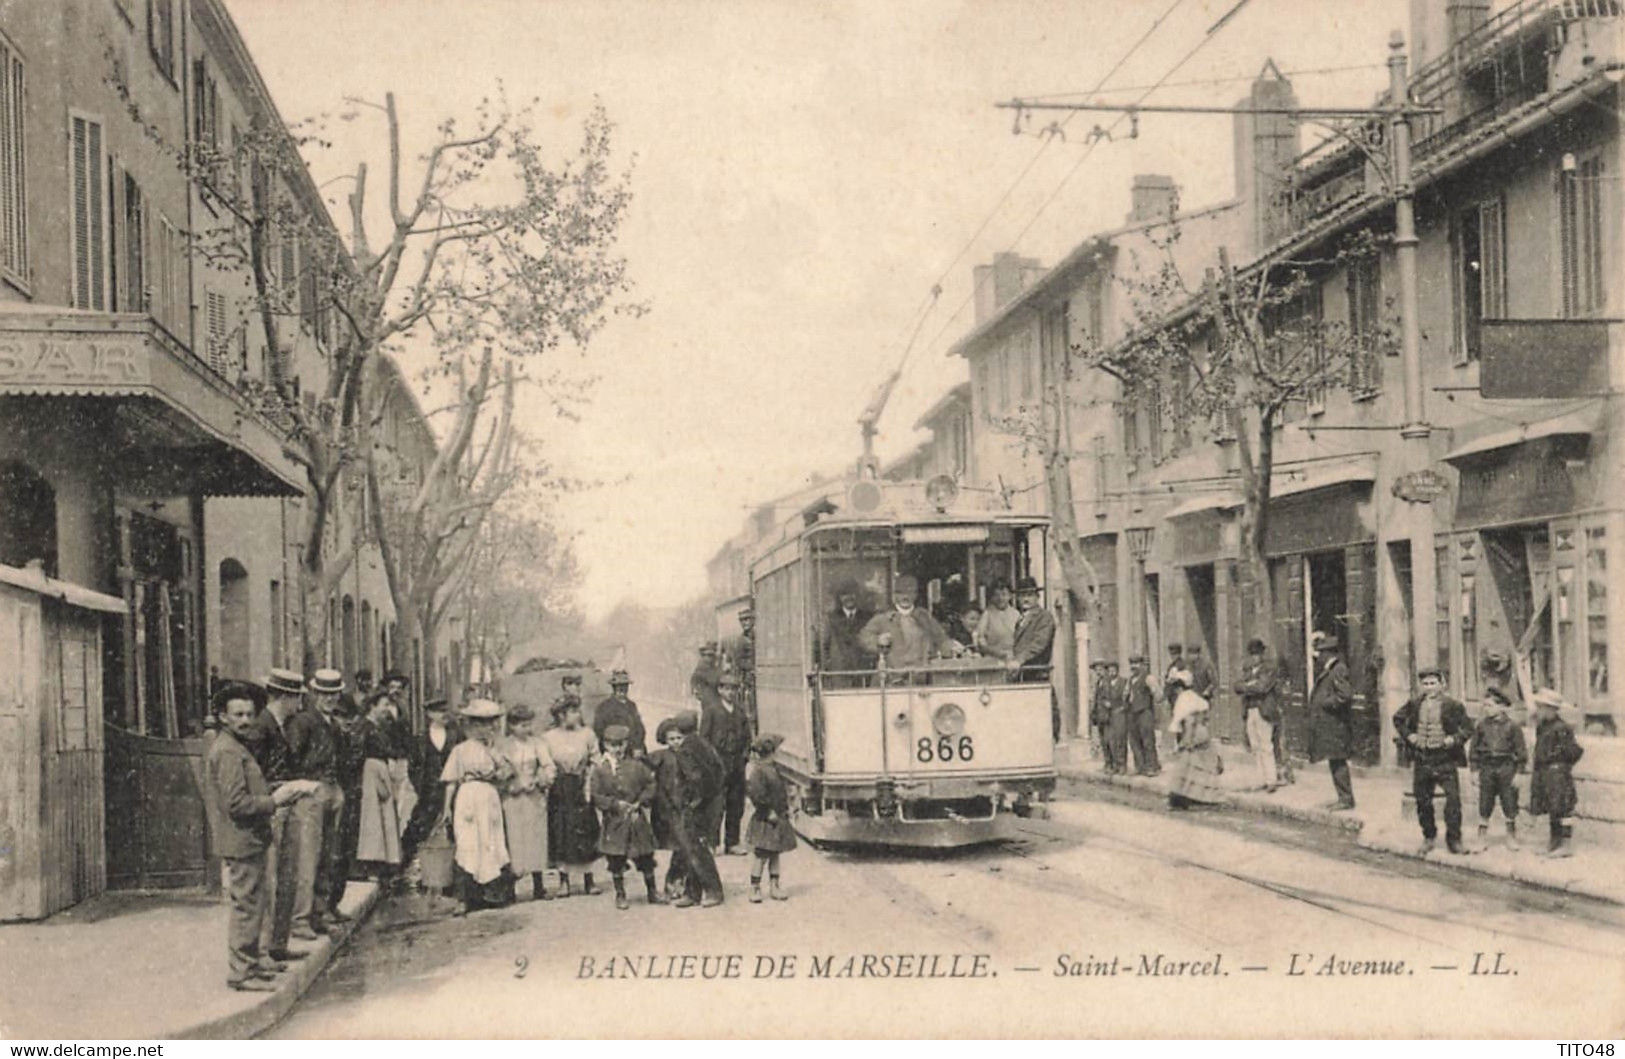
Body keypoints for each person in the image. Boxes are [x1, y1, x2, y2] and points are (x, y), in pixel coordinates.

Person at [204, 682, 316, 992]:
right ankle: (241, 972)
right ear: (223, 717)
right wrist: (276, 800)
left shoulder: (236, 746)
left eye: (249, 714)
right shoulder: (228, 751)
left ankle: (251, 963)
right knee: (246, 905)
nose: (245, 720)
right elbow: (237, 803)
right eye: (237, 714)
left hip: (249, 838)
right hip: (241, 839)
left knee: (254, 902)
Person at [283, 669, 350, 938]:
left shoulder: (333, 725)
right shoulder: (303, 722)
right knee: (307, 858)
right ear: (313, 694)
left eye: (333, 694)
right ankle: (300, 920)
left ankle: (319, 912)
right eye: (323, 694)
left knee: (327, 855)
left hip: (332, 790)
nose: (329, 699)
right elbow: (293, 758)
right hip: (310, 792)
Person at [249, 668, 307, 962]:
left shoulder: (285, 725)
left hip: (288, 804)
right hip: (273, 808)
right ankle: (264, 950)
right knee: (270, 881)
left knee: (287, 877)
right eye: (297, 697)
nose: (299, 703)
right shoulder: (261, 728)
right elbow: (254, 774)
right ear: (285, 697)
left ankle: (278, 945)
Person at [440, 698, 514, 914]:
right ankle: (463, 898)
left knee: (491, 842)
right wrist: (447, 809)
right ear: (471, 725)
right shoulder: (460, 750)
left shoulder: (497, 750)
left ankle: (491, 894)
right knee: (468, 844)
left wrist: (498, 767)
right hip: (468, 797)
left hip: (489, 796)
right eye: (481, 723)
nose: (486, 728)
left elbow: (507, 774)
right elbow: (451, 781)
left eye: (491, 723)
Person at [1393, 666, 1472, 855]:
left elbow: (1468, 728)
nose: (1429, 687)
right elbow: (1397, 719)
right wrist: (1409, 736)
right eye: (1426, 684)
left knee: (1453, 800)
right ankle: (1429, 836)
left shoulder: (1453, 705)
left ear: (1441, 684)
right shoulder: (1414, 704)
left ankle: (1454, 840)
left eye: (1433, 683)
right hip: (1423, 758)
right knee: (1423, 800)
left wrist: (1453, 739)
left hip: (1445, 758)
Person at [591, 725, 663, 910]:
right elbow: (596, 795)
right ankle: (620, 894)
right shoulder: (600, 769)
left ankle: (652, 891)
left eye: (621, 744)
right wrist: (615, 804)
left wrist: (640, 802)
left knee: (646, 856)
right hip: (615, 822)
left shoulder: (636, 766)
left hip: (636, 819)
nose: (617, 749)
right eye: (612, 745)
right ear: (605, 745)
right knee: (616, 860)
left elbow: (650, 784)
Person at [543, 696, 602, 897]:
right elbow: (545, 763)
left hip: (580, 785)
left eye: (578, 710)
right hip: (559, 788)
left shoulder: (587, 734)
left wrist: (588, 784)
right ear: (561, 715)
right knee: (562, 831)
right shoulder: (549, 737)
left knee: (584, 831)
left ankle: (589, 879)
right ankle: (564, 881)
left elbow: (595, 760)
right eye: (573, 711)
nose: (577, 715)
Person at [500, 702, 557, 900]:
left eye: (528, 724)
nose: (527, 729)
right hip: (513, 798)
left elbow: (549, 766)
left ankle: (538, 884)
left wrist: (541, 779)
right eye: (522, 725)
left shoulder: (537, 744)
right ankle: (511, 887)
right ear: (512, 726)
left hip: (533, 797)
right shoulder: (503, 745)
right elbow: (499, 769)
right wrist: (510, 784)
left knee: (536, 839)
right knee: (514, 839)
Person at [670, 711, 725, 907]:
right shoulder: (704, 743)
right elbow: (720, 769)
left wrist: (694, 801)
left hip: (696, 806)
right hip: (711, 802)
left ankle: (713, 891)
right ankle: (692, 892)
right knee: (693, 848)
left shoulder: (685, 749)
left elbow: (694, 778)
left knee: (696, 848)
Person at [404, 697, 462, 873]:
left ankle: (453, 874)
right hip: (429, 790)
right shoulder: (420, 738)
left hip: (453, 787)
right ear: (429, 714)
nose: (444, 715)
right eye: (439, 711)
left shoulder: (456, 735)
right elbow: (413, 765)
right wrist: (419, 785)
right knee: (419, 826)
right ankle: (404, 867)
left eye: (445, 710)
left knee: (455, 829)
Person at [859, 574, 963, 670]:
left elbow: (941, 640)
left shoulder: (925, 618)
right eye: (900, 593)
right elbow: (863, 638)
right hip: (893, 679)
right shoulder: (883, 618)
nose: (905, 597)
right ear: (894, 595)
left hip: (920, 676)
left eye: (910, 592)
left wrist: (954, 648)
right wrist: (878, 640)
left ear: (915, 595)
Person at [1528, 688, 1585, 858]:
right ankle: (1554, 842)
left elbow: (1574, 751)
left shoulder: (1562, 728)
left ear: (1551, 709)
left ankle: (1566, 844)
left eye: (1541, 707)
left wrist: (1561, 765)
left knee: (1564, 808)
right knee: (1552, 808)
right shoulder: (1542, 727)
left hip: (1558, 773)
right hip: (1545, 773)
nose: (1538, 711)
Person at [1470, 686, 1528, 851]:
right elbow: (1473, 750)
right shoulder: (1481, 726)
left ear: (1501, 706)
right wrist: (1474, 770)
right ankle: (1481, 838)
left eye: (1490, 705)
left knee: (1509, 802)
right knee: (1485, 802)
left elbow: (1521, 752)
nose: (1487, 709)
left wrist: (1519, 773)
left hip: (1506, 768)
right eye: (1485, 706)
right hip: (1487, 767)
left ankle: (1511, 836)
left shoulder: (1512, 726)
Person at [703, 669, 754, 855]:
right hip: (718, 766)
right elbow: (704, 739)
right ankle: (712, 843)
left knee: (736, 804)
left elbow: (748, 738)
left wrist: (745, 757)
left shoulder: (740, 713)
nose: (730, 693)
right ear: (720, 690)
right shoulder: (711, 711)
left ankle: (732, 842)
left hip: (737, 766)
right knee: (716, 805)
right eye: (727, 689)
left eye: (734, 689)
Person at [354, 691, 403, 879]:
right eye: (383, 705)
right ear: (372, 706)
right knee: (372, 819)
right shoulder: (364, 727)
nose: (387, 710)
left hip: (380, 771)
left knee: (384, 818)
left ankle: (383, 861)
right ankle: (370, 863)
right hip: (370, 775)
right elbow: (358, 753)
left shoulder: (379, 727)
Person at [1307, 632, 1356, 811]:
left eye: (1321, 652)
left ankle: (1346, 798)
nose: (1318, 656)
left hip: (1336, 727)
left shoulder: (1338, 669)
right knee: (1335, 762)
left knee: (1338, 762)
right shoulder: (1331, 670)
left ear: (1329, 653)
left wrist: (1324, 703)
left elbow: (1345, 696)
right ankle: (1343, 797)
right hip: (1332, 727)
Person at [745, 734, 796, 903]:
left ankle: (775, 885)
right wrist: (767, 811)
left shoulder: (773, 768)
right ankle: (755, 887)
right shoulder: (759, 772)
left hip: (777, 816)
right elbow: (757, 795)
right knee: (761, 855)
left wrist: (786, 808)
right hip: (765, 819)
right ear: (771, 752)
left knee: (775, 853)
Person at [1166, 669, 1226, 809]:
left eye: (1175, 689)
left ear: (1179, 688)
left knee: (1186, 766)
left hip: (1194, 732)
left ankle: (1182, 798)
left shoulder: (1183, 699)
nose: (1175, 692)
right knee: (1201, 765)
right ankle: (1202, 796)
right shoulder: (1194, 696)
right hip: (1203, 732)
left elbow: (1190, 722)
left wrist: (1186, 741)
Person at [649, 717, 689, 901]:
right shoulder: (660, 757)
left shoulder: (689, 756)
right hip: (666, 807)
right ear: (665, 740)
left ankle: (677, 880)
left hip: (684, 805)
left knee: (684, 845)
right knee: (678, 845)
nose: (675, 742)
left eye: (679, 738)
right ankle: (672, 881)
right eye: (671, 739)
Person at [1234, 639, 1281, 793]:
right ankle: (1261, 779)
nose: (1255, 657)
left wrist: (1247, 686)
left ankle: (1271, 780)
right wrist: (1250, 685)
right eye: (1252, 655)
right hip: (1250, 710)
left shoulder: (1269, 669)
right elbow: (1236, 686)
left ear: (1262, 654)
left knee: (1266, 745)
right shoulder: (1249, 671)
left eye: (1257, 654)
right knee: (1255, 746)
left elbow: (1262, 687)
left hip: (1264, 710)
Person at [820, 580, 876, 677]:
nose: (849, 598)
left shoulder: (868, 617)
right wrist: (829, 666)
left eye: (852, 594)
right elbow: (825, 645)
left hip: (863, 672)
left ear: (857, 596)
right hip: (839, 673)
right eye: (844, 595)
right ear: (839, 598)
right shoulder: (831, 619)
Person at [592, 670, 648, 758]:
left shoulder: (631, 705)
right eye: (618, 686)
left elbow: (639, 728)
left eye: (625, 685)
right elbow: (599, 730)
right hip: (613, 748)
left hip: (632, 749)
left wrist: (638, 746)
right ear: (613, 687)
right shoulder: (604, 707)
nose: (622, 689)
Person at [1125, 654, 1162, 777]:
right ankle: (1140, 766)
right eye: (1132, 664)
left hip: (1144, 712)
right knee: (1134, 740)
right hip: (1133, 713)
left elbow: (1158, 695)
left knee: (1147, 740)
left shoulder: (1148, 678)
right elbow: (1127, 696)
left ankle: (1152, 766)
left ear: (1142, 665)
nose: (1133, 666)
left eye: (1136, 664)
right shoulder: (1130, 680)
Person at [975, 580, 1019, 660]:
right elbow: (980, 639)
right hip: (992, 658)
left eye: (1004, 595)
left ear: (1010, 596)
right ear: (992, 597)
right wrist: (994, 652)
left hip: (1012, 658)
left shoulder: (1016, 614)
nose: (1000, 598)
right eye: (996, 595)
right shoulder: (987, 614)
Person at [1098, 660, 1128, 775]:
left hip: (1119, 713)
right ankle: (1114, 765)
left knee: (1120, 739)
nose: (1111, 673)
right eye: (1109, 671)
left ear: (1117, 670)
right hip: (1109, 715)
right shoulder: (1106, 684)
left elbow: (1127, 698)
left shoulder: (1123, 682)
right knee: (1111, 740)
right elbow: (1102, 698)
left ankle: (1122, 765)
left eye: (1113, 670)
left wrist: (1122, 708)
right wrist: (1105, 703)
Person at [690, 643, 724, 710]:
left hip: (715, 694)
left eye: (712, 655)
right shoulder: (702, 667)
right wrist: (696, 691)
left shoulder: (714, 666)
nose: (711, 658)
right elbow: (694, 679)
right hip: (708, 695)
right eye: (709, 656)